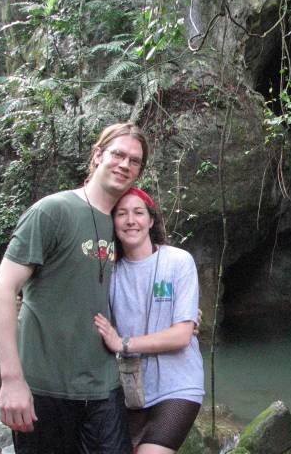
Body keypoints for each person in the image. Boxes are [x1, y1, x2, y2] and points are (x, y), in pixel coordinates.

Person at [0, 122, 148, 453]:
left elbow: (145, 276)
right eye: (118, 154)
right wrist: (12, 380)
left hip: (104, 388)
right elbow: (2, 290)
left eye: (134, 161)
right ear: (98, 155)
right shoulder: (53, 211)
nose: (125, 164)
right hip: (46, 389)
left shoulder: (125, 225)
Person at [94, 187, 204, 454]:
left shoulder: (178, 261)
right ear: (113, 222)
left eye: (138, 212)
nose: (131, 220)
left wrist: (123, 343)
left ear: (151, 220)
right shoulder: (109, 273)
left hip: (179, 385)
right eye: (122, 214)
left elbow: (181, 336)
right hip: (130, 390)